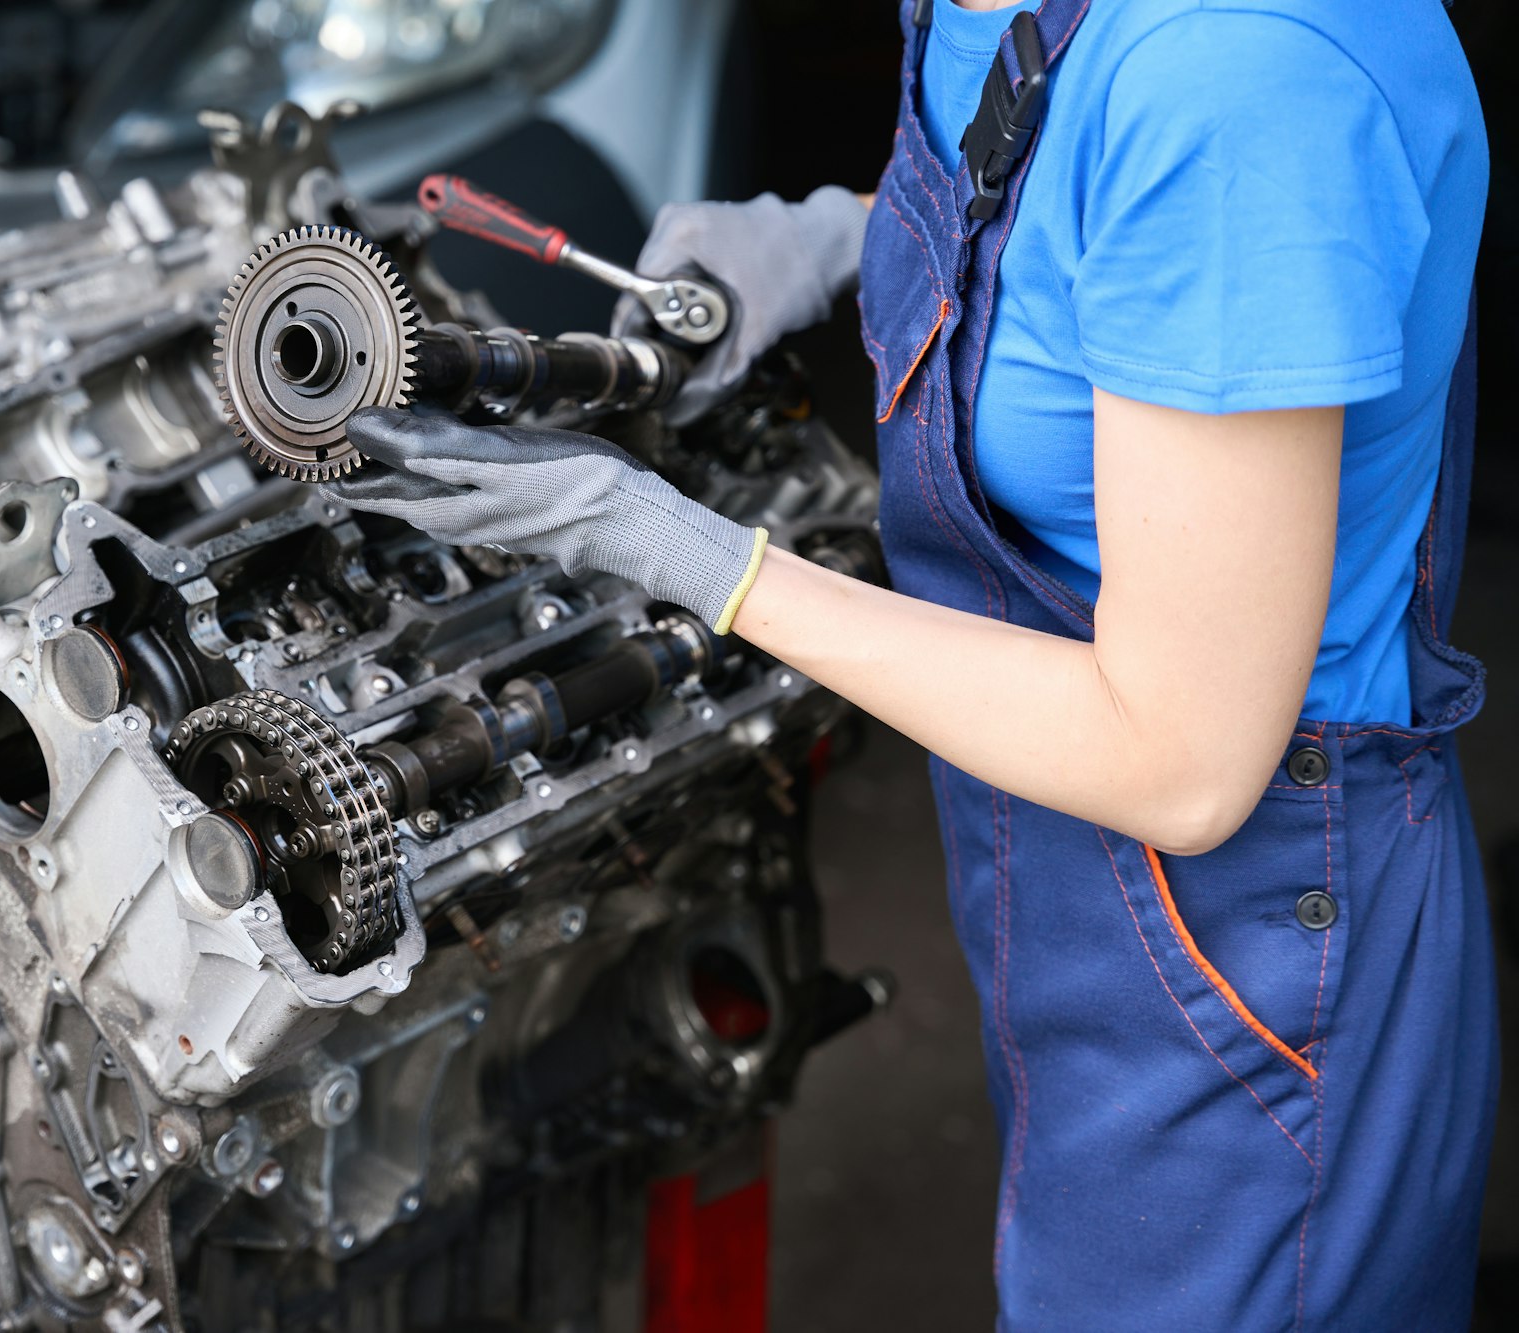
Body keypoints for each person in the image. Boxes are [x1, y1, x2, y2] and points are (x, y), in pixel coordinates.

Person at [328, 0, 1496, 1327]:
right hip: (1072, 889)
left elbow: (1183, 761)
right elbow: (1071, 203)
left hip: (1256, 957)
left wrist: (680, 551)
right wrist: (841, 236)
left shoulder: (1238, 84)